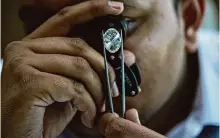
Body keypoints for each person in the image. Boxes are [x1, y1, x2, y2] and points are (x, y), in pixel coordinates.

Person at [1, 0, 219, 138]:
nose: (77, 58)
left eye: (115, 27)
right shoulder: (8, 104)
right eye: (40, 23)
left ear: (188, 19)